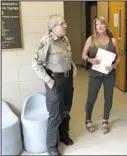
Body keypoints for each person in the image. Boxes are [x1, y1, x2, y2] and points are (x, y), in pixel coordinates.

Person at [32, 14, 77, 155]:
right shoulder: (47, 41)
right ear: (53, 27)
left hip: (67, 80)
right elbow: (36, 64)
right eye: (62, 23)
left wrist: (73, 70)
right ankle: (51, 147)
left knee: (66, 111)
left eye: (65, 22)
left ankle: (63, 136)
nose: (66, 25)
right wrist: (49, 80)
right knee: (55, 115)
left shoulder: (65, 39)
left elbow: (68, 58)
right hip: (55, 81)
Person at [82, 16, 120, 134]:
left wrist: (113, 66)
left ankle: (105, 120)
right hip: (95, 73)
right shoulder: (91, 39)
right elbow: (83, 55)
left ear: (106, 25)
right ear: (95, 27)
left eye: (102, 24)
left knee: (108, 97)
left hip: (109, 73)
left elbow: (119, 58)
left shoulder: (113, 41)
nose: (100, 26)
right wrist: (90, 60)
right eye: (97, 24)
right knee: (91, 98)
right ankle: (88, 120)